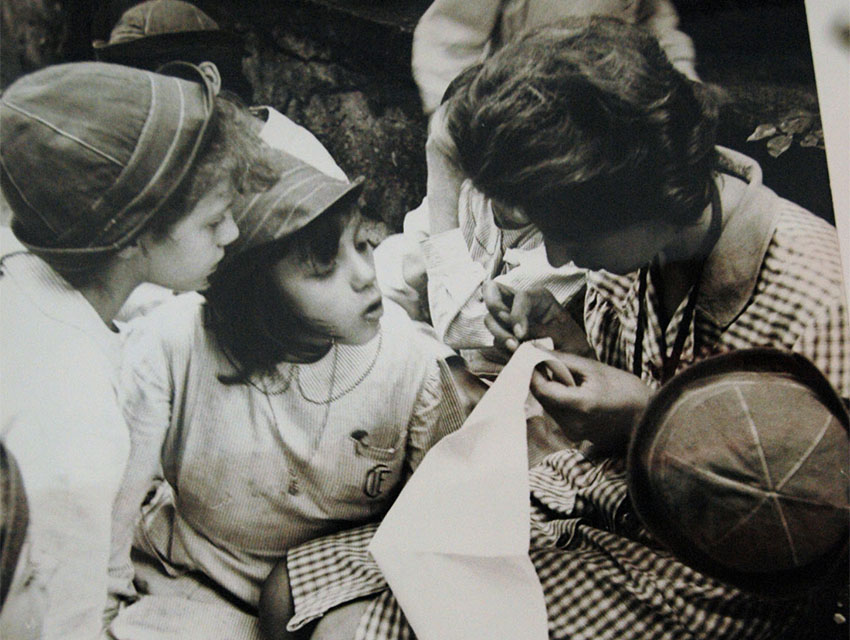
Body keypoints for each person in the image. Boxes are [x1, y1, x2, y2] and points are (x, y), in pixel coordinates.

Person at [277, 17, 849, 639]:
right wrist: (566, 338)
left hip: (704, 577)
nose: (554, 256)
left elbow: (815, 535)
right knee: (290, 592)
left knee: (351, 632)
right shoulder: (646, 241)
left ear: (636, 196)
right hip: (591, 495)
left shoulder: (822, 299)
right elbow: (618, 371)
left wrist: (647, 418)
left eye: (565, 233)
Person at [106, 150, 467, 639]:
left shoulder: (412, 364)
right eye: (324, 268)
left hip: (332, 597)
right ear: (255, 293)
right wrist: (102, 609)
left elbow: (446, 520)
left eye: (362, 244)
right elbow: (115, 503)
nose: (364, 274)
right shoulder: (174, 342)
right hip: (189, 588)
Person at [0, 60, 269, 638]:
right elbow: (55, 620)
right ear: (131, 236)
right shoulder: (75, 415)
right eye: (214, 221)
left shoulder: (20, 270)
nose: (233, 235)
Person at [411, 0, 700, 116]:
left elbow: (655, 23)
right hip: (523, 110)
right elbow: (446, 39)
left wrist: (682, 77)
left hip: (611, 113)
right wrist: (458, 119)